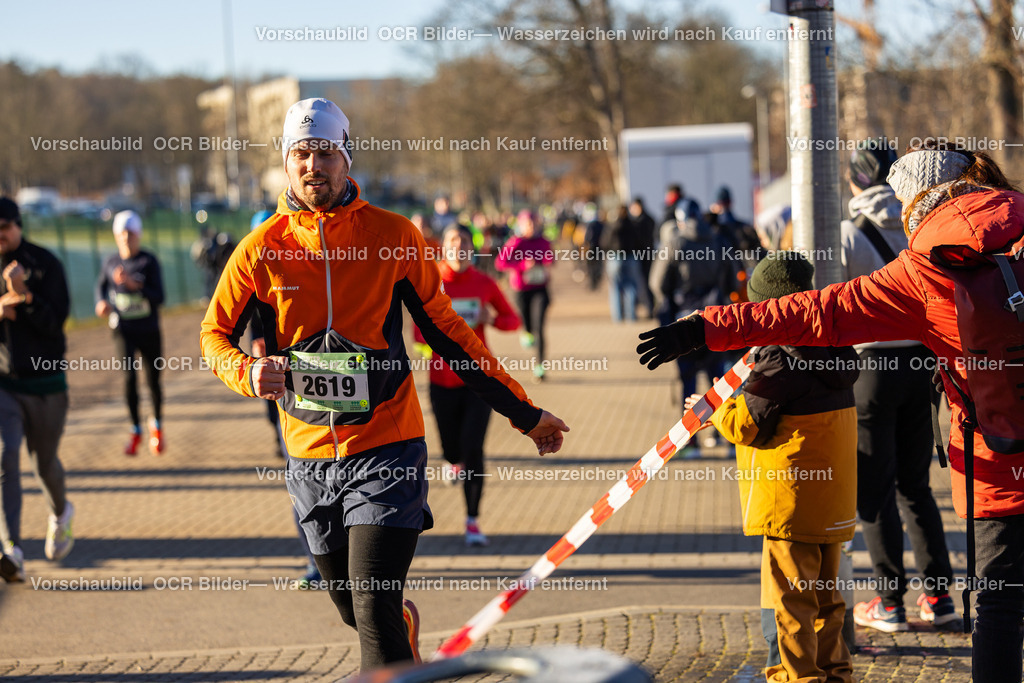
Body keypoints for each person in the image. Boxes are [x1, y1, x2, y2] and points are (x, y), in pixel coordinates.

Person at [199, 98, 568, 671]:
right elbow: (214, 333)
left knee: (372, 606)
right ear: (286, 162)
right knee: (353, 606)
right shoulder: (260, 250)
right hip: (308, 456)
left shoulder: (394, 237)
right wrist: (246, 372)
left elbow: (448, 334)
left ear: (347, 158)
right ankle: (402, 626)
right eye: (301, 153)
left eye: (325, 152)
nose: (312, 165)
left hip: (387, 445)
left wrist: (524, 413)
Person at [636, 140, 1024, 683]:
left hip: (998, 461)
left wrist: (705, 327)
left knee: (999, 607)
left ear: (915, 204)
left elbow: (818, 312)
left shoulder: (924, 268)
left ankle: (893, 605)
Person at [684, 252, 858, 683]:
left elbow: (747, 426)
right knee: (827, 597)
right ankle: (836, 674)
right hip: (832, 497)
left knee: (792, 601)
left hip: (790, 499)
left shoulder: (779, 357)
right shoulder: (838, 342)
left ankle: (799, 678)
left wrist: (714, 411)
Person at [839, 142, 957, 632]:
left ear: (852, 182)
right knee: (916, 487)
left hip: (871, 369)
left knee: (874, 491)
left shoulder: (846, 235)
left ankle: (889, 602)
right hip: (924, 367)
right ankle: (939, 597)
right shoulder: (921, 228)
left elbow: (833, 307)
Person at [415, 225, 521, 546]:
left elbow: (512, 320)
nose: (458, 247)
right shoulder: (431, 281)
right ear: (443, 248)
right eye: (452, 241)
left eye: (463, 241)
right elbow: (417, 333)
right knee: (450, 448)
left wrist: (491, 320)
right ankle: (451, 461)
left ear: (470, 248)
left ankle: (472, 519)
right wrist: (432, 339)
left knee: (473, 448)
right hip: (441, 379)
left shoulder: (484, 283)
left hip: (478, 381)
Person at [0, 197, 74, 582]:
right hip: (5, 385)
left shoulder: (44, 263)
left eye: (4, 229)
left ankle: (61, 512)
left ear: (18, 225)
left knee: (44, 465)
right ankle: (11, 549)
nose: (0, 237)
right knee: (5, 456)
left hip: (46, 384)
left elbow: (58, 322)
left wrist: (25, 296)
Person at [648, 202, 735, 456]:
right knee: (718, 379)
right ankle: (726, 436)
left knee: (688, 381)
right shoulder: (719, 241)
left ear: (680, 220)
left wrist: (673, 303)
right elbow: (732, 280)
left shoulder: (675, 243)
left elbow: (657, 283)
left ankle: (691, 442)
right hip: (717, 319)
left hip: (685, 321)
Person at [95, 211, 166, 455]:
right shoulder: (110, 262)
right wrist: (101, 303)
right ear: (115, 236)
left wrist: (138, 286)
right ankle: (135, 429)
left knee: (153, 381)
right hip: (122, 330)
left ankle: (156, 425)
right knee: (128, 379)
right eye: (121, 234)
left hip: (148, 330)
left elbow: (160, 297)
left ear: (138, 235)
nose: (125, 238)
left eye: (130, 233)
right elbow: (101, 286)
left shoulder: (148, 262)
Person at [496, 208, 554, 382]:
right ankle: (526, 331)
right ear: (520, 225)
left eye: (534, 223)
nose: (531, 226)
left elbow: (551, 258)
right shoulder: (515, 242)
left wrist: (546, 263)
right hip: (521, 290)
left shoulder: (544, 241)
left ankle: (540, 366)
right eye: (527, 223)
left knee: (540, 327)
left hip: (540, 288)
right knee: (528, 325)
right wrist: (522, 265)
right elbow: (500, 263)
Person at [600, 205, 643, 323]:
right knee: (631, 287)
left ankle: (618, 317)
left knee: (615, 288)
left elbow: (604, 242)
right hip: (630, 257)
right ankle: (631, 316)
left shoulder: (611, 226)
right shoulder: (633, 226)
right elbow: (639, 242)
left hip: (615, 258)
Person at [628, 198, 657, 318]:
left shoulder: (640, 221)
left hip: (643, 255)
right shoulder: (649, 219)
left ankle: (650, 308)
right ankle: (650, 308)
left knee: (645, 284)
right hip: (647, 254)